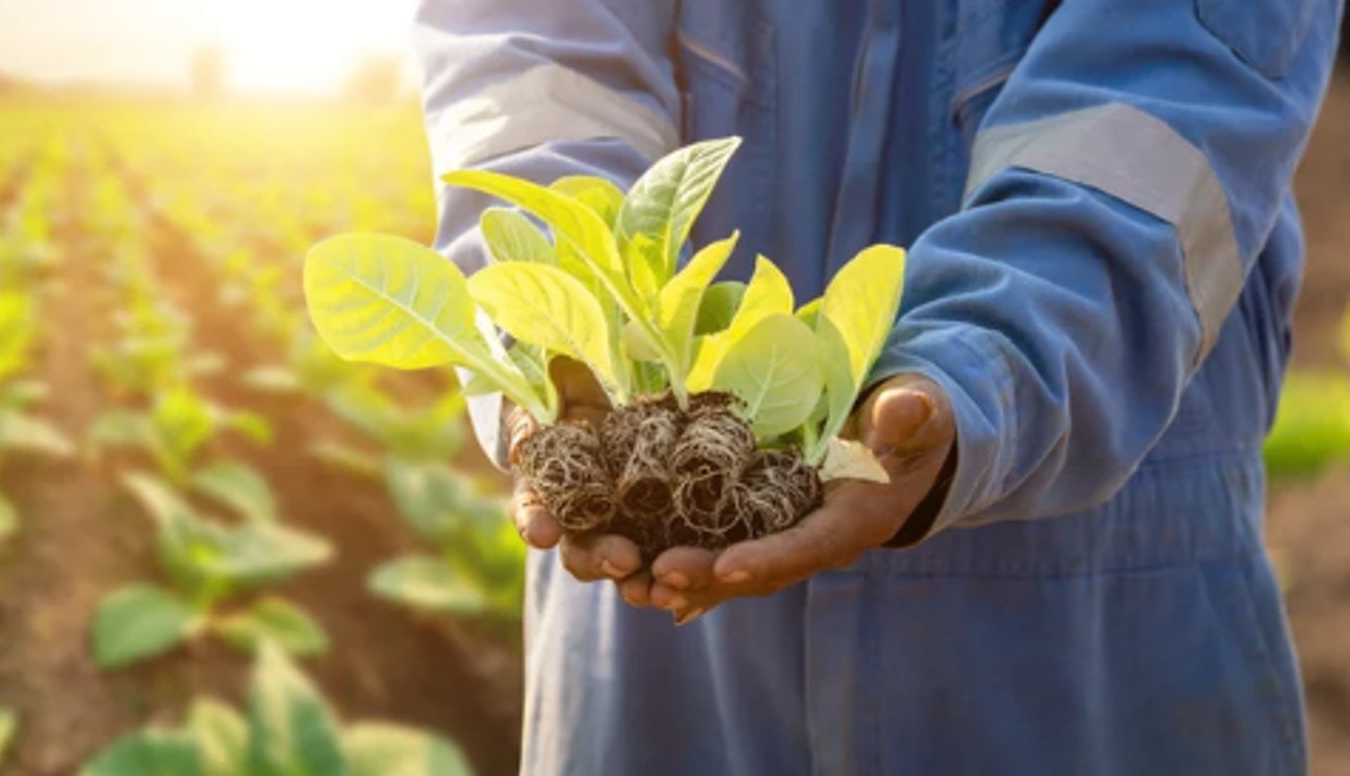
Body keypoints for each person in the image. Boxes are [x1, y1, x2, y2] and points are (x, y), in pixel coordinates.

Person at [413, 0, 1340, 773]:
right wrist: (567, 338)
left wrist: (979, 373)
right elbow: (529, 56)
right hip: (657, 634)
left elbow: (1165, 97)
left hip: (1087, 606)